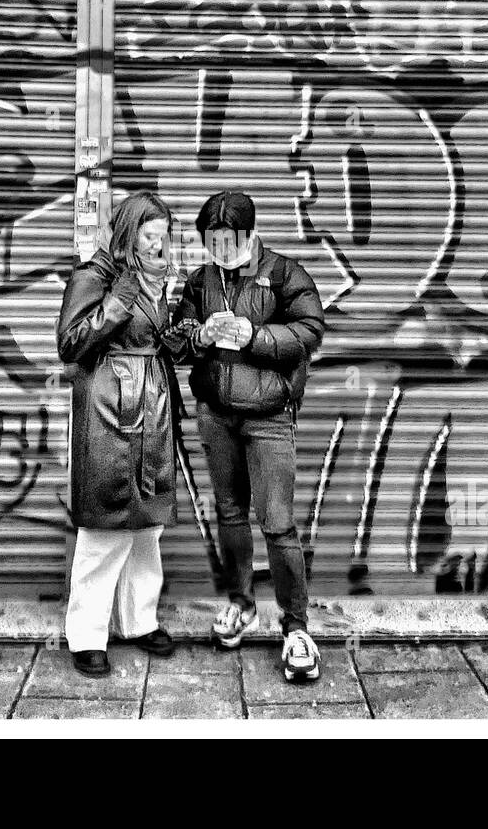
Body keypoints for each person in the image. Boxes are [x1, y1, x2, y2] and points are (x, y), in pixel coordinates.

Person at [172, 191, 327, 682]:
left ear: (249, 234)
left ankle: (296, 626)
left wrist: (253, 336)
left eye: (227, 240)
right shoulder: (200, 280)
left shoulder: (284, 274)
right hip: (216, 415)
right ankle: (241, 604)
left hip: (269, 417)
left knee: (278, 523)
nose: (218, 248)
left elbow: (310, 331)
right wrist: (200, 334)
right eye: (210, 241)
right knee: (231, 514)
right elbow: (177, 337)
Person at [56, 191, 189, 678]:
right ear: (129, 234)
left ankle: (139, 620)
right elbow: (70, 344)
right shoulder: (94, 275)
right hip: (109, 409)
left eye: (164, 237)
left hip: (151, 406)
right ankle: (87, 634)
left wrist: (181, 336)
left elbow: (150, 340)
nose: (159, 245)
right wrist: (114, 304)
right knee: (105, 525)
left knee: (147, 523)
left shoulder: (154, 280)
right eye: (150, 236)